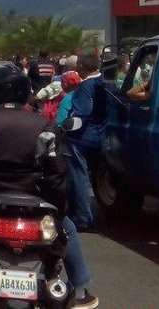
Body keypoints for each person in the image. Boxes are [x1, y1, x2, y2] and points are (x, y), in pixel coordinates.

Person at [0, 63, 99, 309]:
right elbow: (56, 174)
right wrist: (60, 210)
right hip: (37, 201)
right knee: (68, 229)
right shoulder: (44, 125)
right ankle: (79, 290)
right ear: (25, 93)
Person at [64, 53, 107, 233]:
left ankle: (82, 219)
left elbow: (82, 113)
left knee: (79, 177)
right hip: (103, 136)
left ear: (81, 66)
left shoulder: (86, 87)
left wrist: (66, 125)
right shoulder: (105, 82)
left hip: (81, 138)